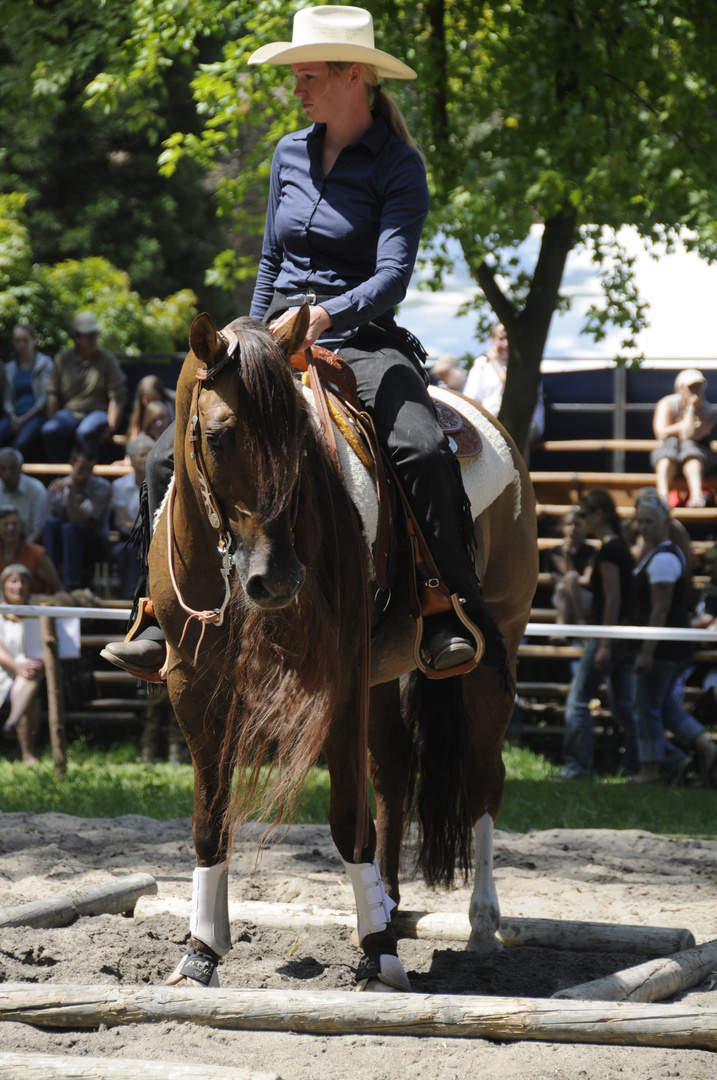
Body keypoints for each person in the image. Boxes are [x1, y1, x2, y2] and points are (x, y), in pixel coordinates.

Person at [103, 4, 504, 679]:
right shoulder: (288, 151)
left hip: (364, 338)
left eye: (308, 74)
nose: (297, 87)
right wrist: (248, 336)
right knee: (163, 454)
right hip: (270, 334)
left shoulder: (399, 165)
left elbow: (392, 277)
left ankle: (441, 605)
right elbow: (268, 261)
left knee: (418, 443)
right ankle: (154, 612)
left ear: (354, 77)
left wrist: (327, 315)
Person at [631, 495, 716, 784]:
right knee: (664, 707)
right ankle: (705, 750)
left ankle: (651, 770)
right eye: (640, 521)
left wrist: (646, 652)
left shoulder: (664, 559)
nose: (643, 527)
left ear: (665, 524)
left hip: (663, 648)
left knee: (646, 707)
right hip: (673, 646)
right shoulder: (666, 554)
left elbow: (660, 610)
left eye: (649, 522)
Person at [557, 489, 637, 781]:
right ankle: (641, 765)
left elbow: (613, 600)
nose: (581, 519)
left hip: (610, 636)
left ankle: (577, 768)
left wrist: (603, 643)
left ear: (598, 515)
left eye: (585, 514)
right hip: (622, 636)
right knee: (624, 706)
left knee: (578, 701)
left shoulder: (609, 551)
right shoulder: (619, 547)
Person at [40, 312, 127, 463]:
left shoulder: (107, 360)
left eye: (95, 334)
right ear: (76, 338)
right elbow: (52, 392)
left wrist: (111, 428)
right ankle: (61, 475)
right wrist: (53, 417)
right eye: (88, 335)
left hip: (97, 412)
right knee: (49, 430)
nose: (93, 339)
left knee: (86, 431)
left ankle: (85, 474)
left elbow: (117, 395)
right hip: (69, 413)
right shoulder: (62, 359)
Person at [463, 321, 545, 455]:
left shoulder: (527, 365)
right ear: (492, 341)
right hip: (488, 421)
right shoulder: (481, 365)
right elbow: (470, 400)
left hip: (527, 422)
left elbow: (518, 390)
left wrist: (495, 362)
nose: (506, 344)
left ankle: (518, 475)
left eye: (510, 338)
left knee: (513, 429)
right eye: (501, 338)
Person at [43, 440, 111, 590]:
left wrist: (72, 492)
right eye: (81, 469)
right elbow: (47, 523)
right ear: (71, 464)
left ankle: (70, 584)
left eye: (90, 470)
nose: (86, 474)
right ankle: (49, 582)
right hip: (63, 544)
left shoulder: (102, 488)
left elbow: (81, 520)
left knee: (70, 528)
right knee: (52, 524)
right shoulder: (56, 486)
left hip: (94, 545)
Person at [651, 369, 717, 508]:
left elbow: (689, 436)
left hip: (700, 456)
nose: (696, 390)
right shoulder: (667, 403)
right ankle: (662, 495)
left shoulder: (710, 411)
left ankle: (696, 496)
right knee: (670, 446)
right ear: (680, 388)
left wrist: (691, 410)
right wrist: (687, 422)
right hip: (669, 454)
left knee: (690, 449)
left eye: (699, 386)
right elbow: (661, 433)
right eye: (691, 386)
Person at [0, 563, 45, 764]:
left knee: (32, 675)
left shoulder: (39, 614)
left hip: (34, 673)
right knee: (30, 689)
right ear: (3, 586)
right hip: (4, 674)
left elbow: (45, 646)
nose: (19, 586)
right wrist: (17, 666)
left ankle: (15, 724)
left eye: (24, 581)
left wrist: (34, 664)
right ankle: (27, 753)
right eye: (13, 581)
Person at [110, 434, 153, 599]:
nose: (145, 459)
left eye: (149, 454)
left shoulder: (160, 484)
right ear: (132, 460)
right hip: (129, 539)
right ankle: (131, 599)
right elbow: (120, 522)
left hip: (153, 536)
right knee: (129, 550)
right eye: (141, 455)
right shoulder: (119, 486)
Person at [0, 323, 53, 457]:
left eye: (25, 340)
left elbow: (43, 399)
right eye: (17, 341)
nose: (21, 344)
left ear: (33, 340)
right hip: (14, 414)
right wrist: (13, 416)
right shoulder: (9, 368)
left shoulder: (44, 364)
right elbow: (7, 399)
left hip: (36, 414)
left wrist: (24, 419)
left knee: (21, 443)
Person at [546, 507, 594, 637]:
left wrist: (566, 557)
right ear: (562, 528)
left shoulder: (591, 551)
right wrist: (566, 555)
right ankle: (579, 623)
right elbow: (568, 575)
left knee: (568, 582)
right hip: (562, 596)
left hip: (584, 596)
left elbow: (586, 580)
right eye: (568, 524)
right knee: (564, 588)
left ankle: (560, 632)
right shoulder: (555, 551)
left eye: (577, 525)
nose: (572, 529)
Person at [0, 505, 62, 594]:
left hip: (34, 605)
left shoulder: (38, 554)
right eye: (5, 524)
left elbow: (59, 589)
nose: (10, 528)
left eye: (15, 524)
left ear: (21, 527)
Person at [0, 447, 49, 543]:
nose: (7, 474)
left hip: (28, 541)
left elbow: (38, 529)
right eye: (2, 468)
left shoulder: (37, 489)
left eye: (12, 468)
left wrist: (22, 551)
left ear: (20, 468)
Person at [125, 375, 175, 441]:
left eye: (155, 399)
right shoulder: (140, 411)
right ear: (141, 400)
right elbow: (134, 437)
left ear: (162, 396)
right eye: (148, 401)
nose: (152, 405)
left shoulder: (171, 407)